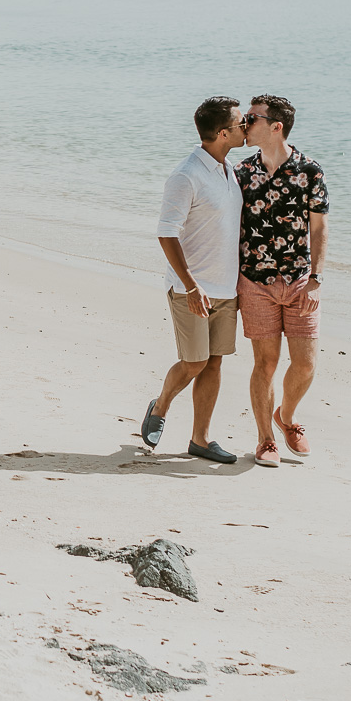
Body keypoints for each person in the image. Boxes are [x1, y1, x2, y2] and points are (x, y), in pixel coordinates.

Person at [141, 96, 247, 462]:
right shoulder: (186, 175)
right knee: (194, 363)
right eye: (241, 123)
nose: (246, 127)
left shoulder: (229, 170)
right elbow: (167, 233)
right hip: (192, 288)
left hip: (226, 289)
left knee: (215, 362)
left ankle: (200, 439)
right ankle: (161, 406)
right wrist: (191, 285)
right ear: (222, 133)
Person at [235, 94, 329, 467]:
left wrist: (317, 278)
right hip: (255, 280)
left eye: (253, 118)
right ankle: (265, 439)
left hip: (299, 280)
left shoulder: (310, 171)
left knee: (305, 363)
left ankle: (287, 417)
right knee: (265, 363)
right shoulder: (241, 172)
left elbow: (320, 228)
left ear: (276, 126)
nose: (245, 124)